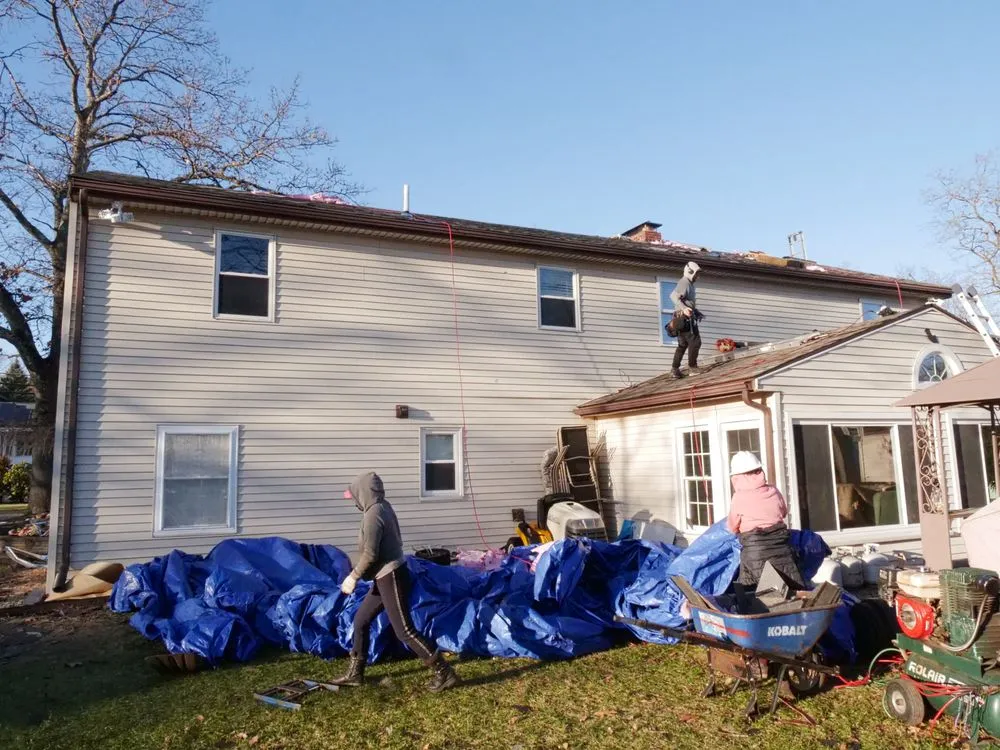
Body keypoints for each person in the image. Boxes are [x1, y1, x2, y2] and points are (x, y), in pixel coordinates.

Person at [332, 471, 460, 692]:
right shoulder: (382, 507)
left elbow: (371, 554)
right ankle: (355, 673)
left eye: (354, 496)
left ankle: (444, 672)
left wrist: (353, 577)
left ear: (363, 493)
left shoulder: (374, 515)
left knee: (404, 631)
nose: (354, 502)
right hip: (383, 577)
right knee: (361, 620)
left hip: (391, 576)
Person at [726, 451, 804, 589]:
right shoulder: (773, 491)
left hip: (755, 551)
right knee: (791, 591)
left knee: (765, 594)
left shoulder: (739, 498)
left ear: (737, 477)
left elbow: (732, 527)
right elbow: (783, 512)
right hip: (781, 548)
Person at [669, 261, 704, 379]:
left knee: (683, 344)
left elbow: (686, 301)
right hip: (685, 319)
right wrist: (684, 309)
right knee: (695, 342)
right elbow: (673, 296)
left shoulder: (688, 283)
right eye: (696, 274)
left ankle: (674, 370)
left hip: (680, 318)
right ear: (690, 272)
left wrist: (696, 312)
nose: (698, 277)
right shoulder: (684, 282)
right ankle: (693, 367)